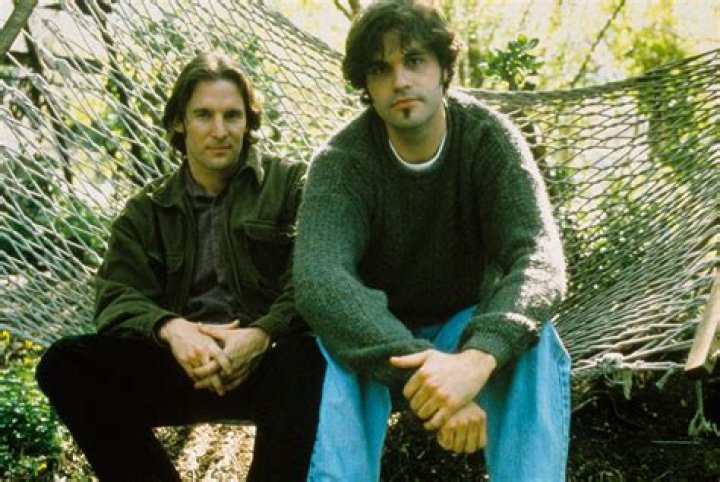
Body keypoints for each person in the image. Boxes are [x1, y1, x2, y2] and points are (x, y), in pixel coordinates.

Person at [293, 1, 571, 480]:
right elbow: (321, 278)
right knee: (334, 347)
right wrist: (432, 378)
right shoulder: (342, 161)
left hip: (465, 327)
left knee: (535, 339)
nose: (400, 81)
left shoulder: (487, 139)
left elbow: (538, 257)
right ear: (366, 85)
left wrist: (476, 361)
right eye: (381, 69)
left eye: (415, 60)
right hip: (377, 335)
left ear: (444, 68)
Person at [36, 51, 325, 482]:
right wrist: (172, 330)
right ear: (179, 123)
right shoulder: (147, 210)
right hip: (182, 368)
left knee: (307, 358)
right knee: (65, 364)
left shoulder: (290, 186)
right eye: (204, 115)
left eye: (232, 116)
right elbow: (116, 296)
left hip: (268, 368)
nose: (220, 131)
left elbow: (317, 275)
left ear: (248, 122)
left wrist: (262, 334)